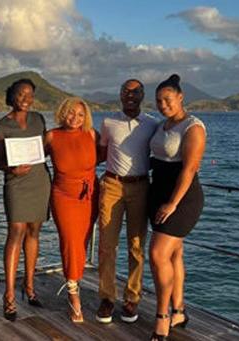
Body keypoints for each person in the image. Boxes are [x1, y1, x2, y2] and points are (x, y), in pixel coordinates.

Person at [96, 79, 159, 324]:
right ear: (120, 95)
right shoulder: (108, 122)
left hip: (141, 186)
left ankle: (132, 297)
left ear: (143, 95)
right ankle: (107, 297)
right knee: (106, 244)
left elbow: (164, 150)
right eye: (126, 91)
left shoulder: (153, 124)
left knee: (136, 245)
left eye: (136, 92)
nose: (130, 95)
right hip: (112, 185)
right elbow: (101, 153)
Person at [148, 74, 206, 341]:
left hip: (181, 199)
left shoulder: (193, 127)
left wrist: (172, 203)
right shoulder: (161, 125)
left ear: (181, 97)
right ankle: (179, 310)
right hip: (157, 193)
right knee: (174, 255)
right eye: (159, 101)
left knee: (158, 254)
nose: (163, 105)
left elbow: (190, 168)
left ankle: (162, 317)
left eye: (167, 99)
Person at [0, 78, 51, 321]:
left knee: (34, 232)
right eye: (21, 94)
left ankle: (29, 287)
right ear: (12, 96)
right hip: (15, 183)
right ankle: (9, 294)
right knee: (16, 231)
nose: (26, 99)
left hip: (39, 180)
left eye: (30, 95)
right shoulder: (1, 124)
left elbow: (45, 148)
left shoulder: (38, 119)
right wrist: (11, 170)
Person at [45, 97, 98, 323]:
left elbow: (108, 157)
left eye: (80, 114)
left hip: (90, 195)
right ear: (61, 113)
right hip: (63, 196)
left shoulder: (92, 135)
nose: (75, 118)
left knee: (82, 243)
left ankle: (75, 280)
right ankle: (73, 294)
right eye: (70, 113)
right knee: (70, 242)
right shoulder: (52, 136)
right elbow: (34, 159)